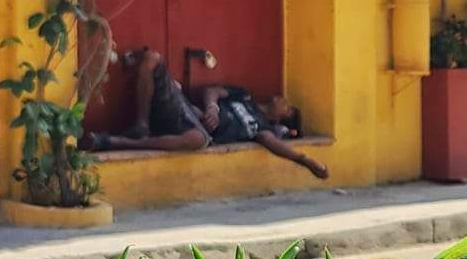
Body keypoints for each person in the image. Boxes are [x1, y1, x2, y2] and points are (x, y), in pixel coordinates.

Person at [86, 49, 330, 180]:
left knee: (197, 140)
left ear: (279, 120)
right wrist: (212, 106)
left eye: (287, 107)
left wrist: (306, 161)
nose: (282, 100)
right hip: (188, 111)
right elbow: (213, 90)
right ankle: (141, 124)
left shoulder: (262, 128)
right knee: (152, 59)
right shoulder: (244, 95)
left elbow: (276, 145)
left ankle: (112, 142)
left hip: (198, 132)